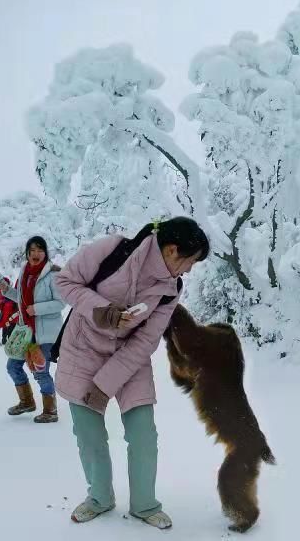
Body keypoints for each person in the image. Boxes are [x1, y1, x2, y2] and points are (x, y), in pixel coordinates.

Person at [54, 217, 209, 529]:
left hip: (129, 355)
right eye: (190, 262)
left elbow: (147, 340)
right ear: (172, 250)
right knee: (89, 435)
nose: (189, 270)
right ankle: (99, 498)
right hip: (83, 349)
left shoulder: (171, 289)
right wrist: (100, 309)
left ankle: (144, 505)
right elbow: (64, 282)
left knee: (143, 434)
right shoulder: (113, 250)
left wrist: (106, 383)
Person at [0, 236, 64, 423]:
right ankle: (27, 402)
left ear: (45, 252)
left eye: (39, 250)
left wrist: (37, 309)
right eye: (32, 250)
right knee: (13, 366)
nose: (35, 254)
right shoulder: (25, 271)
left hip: (46, 333)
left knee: (40, 371)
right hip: (25, 332)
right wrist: (6, 290)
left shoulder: (53, 273)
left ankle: (50, 411)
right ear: (27, 252)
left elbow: (61, 302)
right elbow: (22, 300)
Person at [0, 278, 18, 346]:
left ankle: (4, 340)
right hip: (0, 312)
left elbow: (14, 301)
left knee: (6, 325)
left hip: (8, 312)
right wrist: (1, 301)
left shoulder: (10, 291)